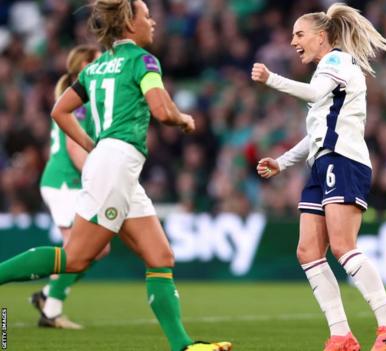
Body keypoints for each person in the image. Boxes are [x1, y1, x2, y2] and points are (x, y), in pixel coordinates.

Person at [0, 1, 231, 350]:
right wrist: (183, 119)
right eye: (146, 15)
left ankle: (183, 346)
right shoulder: (144, 61)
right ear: (128, 23)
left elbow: (59, 111)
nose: (152, 21)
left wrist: (92, 146)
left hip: (116, 164)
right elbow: (161, 110)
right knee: (75, 257)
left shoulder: (96, 68)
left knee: (160, 257)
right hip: (118, 163)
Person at [251, 3, 386, 351]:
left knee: (342, 247)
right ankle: (341, 334)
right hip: (321, 164)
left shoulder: (335, 61)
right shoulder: (325, 71)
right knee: (308, 251)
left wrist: (270, 79)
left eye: (299, 34)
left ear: (322, 37)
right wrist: (282, 162)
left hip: (345, 161)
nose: (294, 41)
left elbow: (313, 95)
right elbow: (316, 130)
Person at [31, 45, 111, 330]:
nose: (106, 65)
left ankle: (46, 296)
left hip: (66, 183)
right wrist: (101, 175)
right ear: (86, 66)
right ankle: (51, 310)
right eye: (100, 61)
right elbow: (74, 148)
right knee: (76, 250)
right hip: (65, 183)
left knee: (98, 249)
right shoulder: (79, 101)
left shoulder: (78, 97)